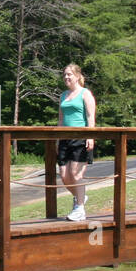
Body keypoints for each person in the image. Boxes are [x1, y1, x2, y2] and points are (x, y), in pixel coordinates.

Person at [58, 64, 96, 221]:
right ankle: (81, 197)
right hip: (64, 138)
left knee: (75, 173)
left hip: (80, 137)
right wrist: (57, 138)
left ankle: (80, 208)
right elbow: (61, 119)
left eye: (70, 74)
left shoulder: (85, 93)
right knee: (64, 175)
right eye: (65, 75)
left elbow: (90, 116)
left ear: (77, 76)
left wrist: (90, 136)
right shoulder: (63, 95)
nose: (66, 77)